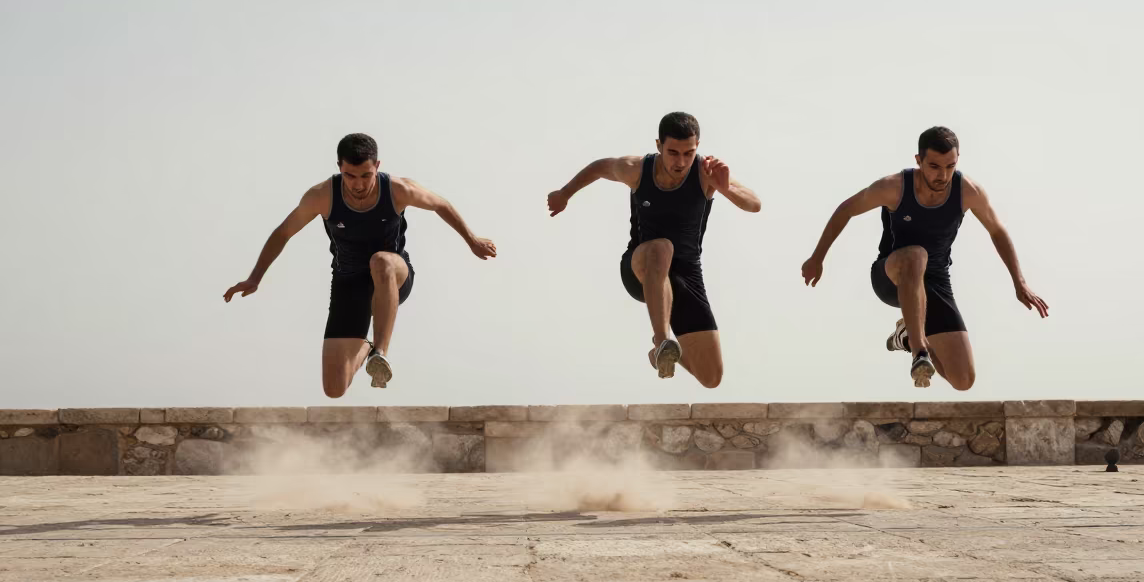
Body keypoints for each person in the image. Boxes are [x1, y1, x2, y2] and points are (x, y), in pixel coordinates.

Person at [224, 133, 496, 397]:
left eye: (366, 175)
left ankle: (380, 352)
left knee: (381, 261)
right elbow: (283, 232)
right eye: (350, 176)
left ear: (377, 166)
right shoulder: (321, 196)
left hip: (393, 274)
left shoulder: (399, 189)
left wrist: (472, 240)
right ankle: (366, 349)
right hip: (349, 283)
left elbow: (440, 204)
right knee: (334, 388)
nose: (358, 184)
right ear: (339, 167)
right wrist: (255, 278)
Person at [801, 126, 1048, 389]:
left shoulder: (968, 191)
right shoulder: (893, 187)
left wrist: (1019, 282)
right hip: (891, 276)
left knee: (963, 380)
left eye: (950, 166)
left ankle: (907, 337)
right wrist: (817, 258)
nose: (942, 175)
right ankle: (920, 351)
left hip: (935, 281)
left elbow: (997, 231)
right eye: (934, 166)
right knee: (917, 255)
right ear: (918, 161)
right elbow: (845, 210)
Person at [547, 112, 761, 387]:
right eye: (672, 153)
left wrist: (724, 188)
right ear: (659, 145)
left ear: (697, 147)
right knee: (662, 248)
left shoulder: (705, 172)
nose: (680, 162)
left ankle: (659, 354)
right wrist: (564, 193)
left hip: (686, 277)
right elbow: (600, 167)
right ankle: (661, 340)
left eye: (688, 153)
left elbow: (754, 204)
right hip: (640, 267)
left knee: (711, 377)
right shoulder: (636, 169)